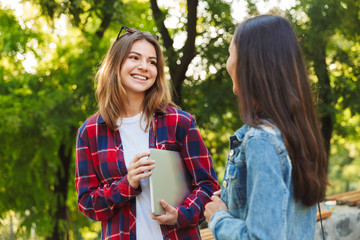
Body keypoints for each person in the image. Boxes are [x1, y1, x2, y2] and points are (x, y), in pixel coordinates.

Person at [75, 26, 220, 240]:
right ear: (116, 64)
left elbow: (208, 185)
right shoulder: (90, 132)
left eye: (152, 62)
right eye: (135, 58)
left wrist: (181, 214)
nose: (144, 67)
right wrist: (126, 184)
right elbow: (87, 203)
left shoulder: (179, 122)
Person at [204, 15, 328, 239]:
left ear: (249, 61)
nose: (227, 62)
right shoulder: (295, 133)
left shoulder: (261, 140)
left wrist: (218, 217)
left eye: (230, 53)